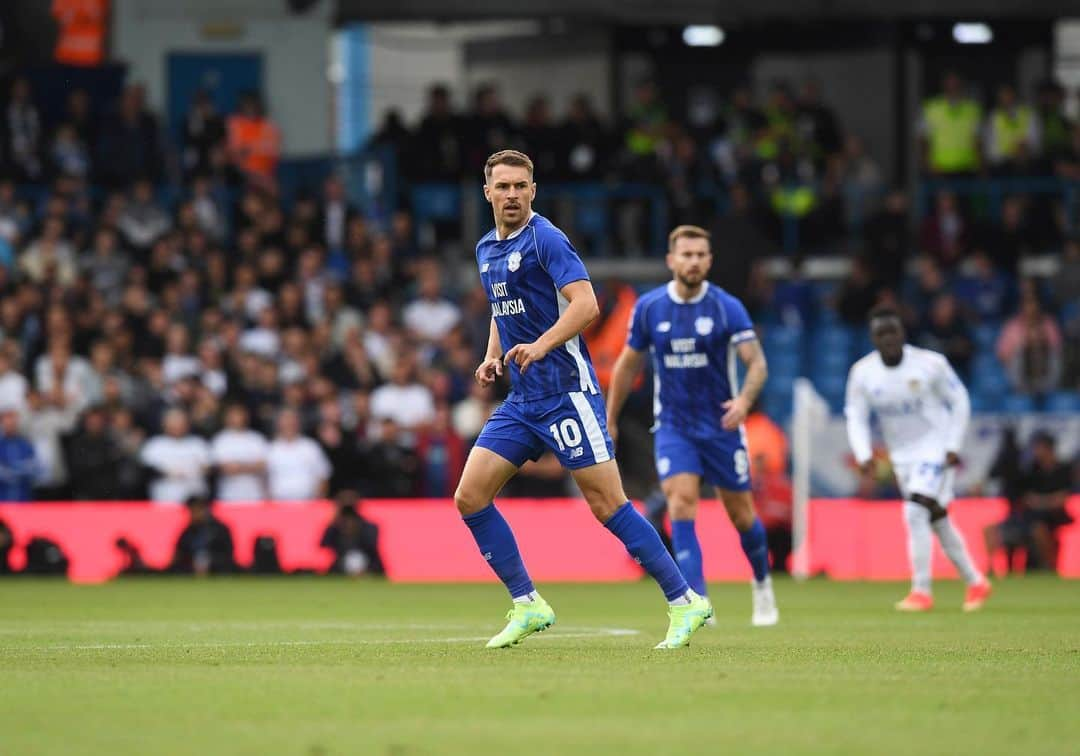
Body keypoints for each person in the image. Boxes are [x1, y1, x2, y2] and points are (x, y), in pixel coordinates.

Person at [456, 150, 711, 650]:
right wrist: (494, 356)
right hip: (523, 397)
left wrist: (541, 345)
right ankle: (527, 603)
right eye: (502, 186)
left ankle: (686, 601)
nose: (511, 195)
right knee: (470, 496)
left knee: (607, 503)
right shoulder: (486, 248)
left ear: (533, 191)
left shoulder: (546, 238)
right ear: (487, 193)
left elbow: (588, 304)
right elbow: (501, 310)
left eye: (520, 186)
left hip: (567, 393)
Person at [606, 225, 779, 627]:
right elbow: (627, 364)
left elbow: (757, 363)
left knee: (741, 516)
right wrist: (610, 419)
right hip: (674, 427)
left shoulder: (725, 307)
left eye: (701, 254)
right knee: (681, 503)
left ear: (709, 260)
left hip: (721, 428)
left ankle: (762, 584)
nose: (693, 261)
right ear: (671, 260)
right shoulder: (650, 308)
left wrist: (745, 401)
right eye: (686, 255)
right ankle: (697, 599)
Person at [844, 305, 991, 612]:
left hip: (935, 449)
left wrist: (953, 443)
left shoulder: (930, 364)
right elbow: (855, 415)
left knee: (914, 512)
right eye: (880, 333)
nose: (887, 339)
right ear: (872, 337)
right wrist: (863, 453)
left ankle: (921, 591)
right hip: (902, 457)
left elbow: (959, 398)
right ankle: (976, 581)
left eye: (892, 332)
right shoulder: (862, 373)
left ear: (903, 333)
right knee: (936, 518)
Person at [985, 432, 1074, 574]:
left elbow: (1061, 498)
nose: (1036, 452)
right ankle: (990, 569)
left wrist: (1039, 501)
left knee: (1038, 528)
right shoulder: (1031, 470)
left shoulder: (1063, 470)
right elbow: (1025, 497)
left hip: (1052, 517)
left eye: (1039, 448)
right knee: (990, 529)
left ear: (1049, 448)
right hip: (1028, 517)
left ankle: (1049, 567)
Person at [140, 408, 211, 504]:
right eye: (173, 423)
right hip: (164, 499)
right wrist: (166, 473)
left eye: (180, 423)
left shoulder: (197, 443)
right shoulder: (154, 444)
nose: (177, 427)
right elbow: (146, 470)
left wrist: (205, 469)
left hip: (195, 501)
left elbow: (210, 467)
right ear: (164, 424)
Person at [210, 403, 268, 502]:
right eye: (233, 415)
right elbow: (222, 467)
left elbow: (262, 465)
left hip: (254, 495)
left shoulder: (256, 438)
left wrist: (238, 467)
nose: (237, 418)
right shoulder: (220, 439)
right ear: (227, 418)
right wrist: (249, 466)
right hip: (228, 495)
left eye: (239, 415)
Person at [320, 491, 384, 576]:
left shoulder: (369, 527)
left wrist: (356, 530)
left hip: (369, 565)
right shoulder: (334, 528)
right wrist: (334, 523)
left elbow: (372, 546)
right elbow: (323, 544)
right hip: (341, 566)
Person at [170, 495, 236, 575]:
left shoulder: (220, 530)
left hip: (217, 570)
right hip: (190, 570)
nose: (193, 514)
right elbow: (179, 554)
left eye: (197, 510)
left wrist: (209, 561)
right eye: (191, 511)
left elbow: (228, 554)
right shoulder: (188, 531)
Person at [0, 406, 38, 501]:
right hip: (3, 500)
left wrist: (15, 469)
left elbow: (35, 467)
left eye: (13, 422)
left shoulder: (25, 444)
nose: (10, 424)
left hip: (23, 499)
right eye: (7, 421)